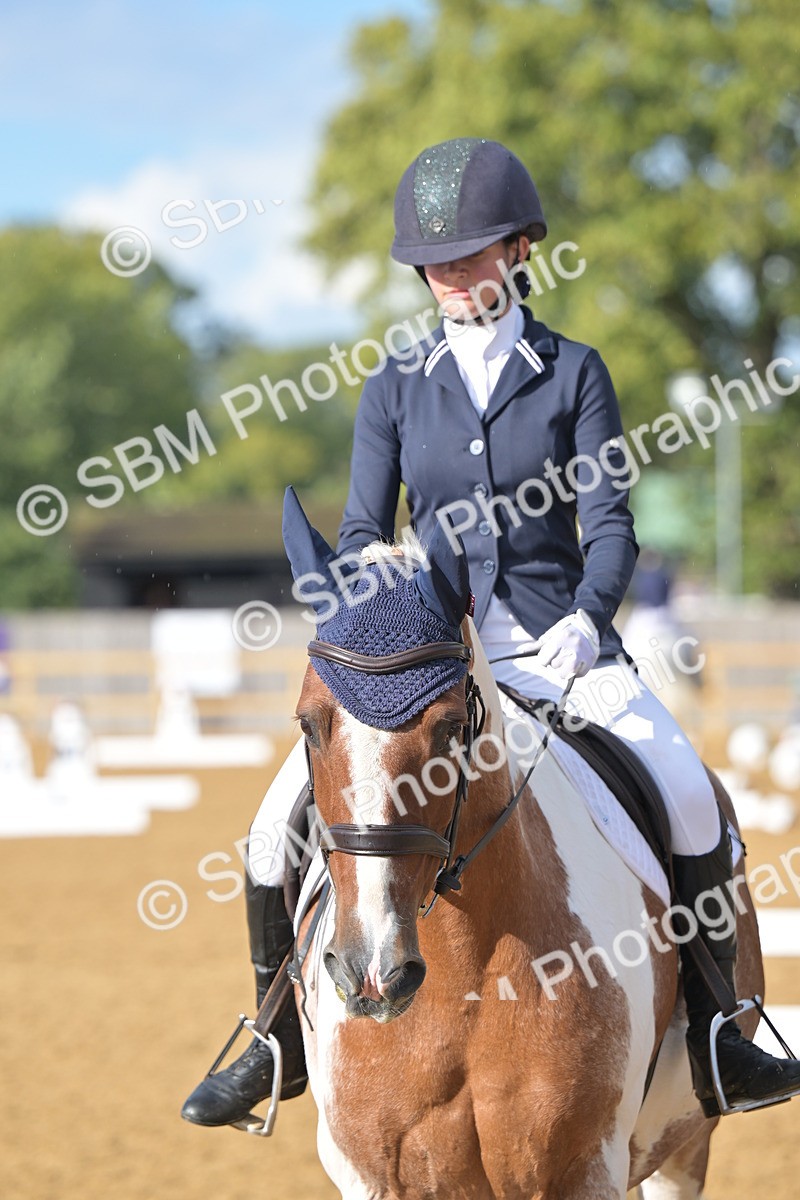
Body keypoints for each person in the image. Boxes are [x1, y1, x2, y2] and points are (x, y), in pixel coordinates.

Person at [182, 137, 800, 1127]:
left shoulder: (571, 375)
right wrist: (377, 593)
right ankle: (272, 1041)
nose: (447, 277)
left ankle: (719, 1033)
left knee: (687, 795)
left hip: (560, 648)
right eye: (432, 262)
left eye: (468, 256)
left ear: (519, 250)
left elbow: (608, 527)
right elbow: (358, 530)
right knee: (268, 832)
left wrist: (589, 622)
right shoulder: (394, 384)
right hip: (430, 660)